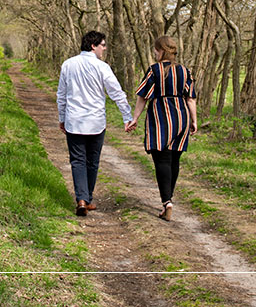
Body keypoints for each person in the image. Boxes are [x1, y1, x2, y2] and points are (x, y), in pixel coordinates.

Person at [57, 30, 133, 216]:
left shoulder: (68, 64)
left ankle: (82, 199)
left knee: (77, 161)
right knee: (92, 161)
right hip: (96, 122)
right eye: (103, 45)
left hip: (74, 121)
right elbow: (116, 92)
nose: (104, 49)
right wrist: (127, 116)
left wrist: (62, 118)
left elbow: (61, 95)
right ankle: (86, 198)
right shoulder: (102, 67)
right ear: (93, 46)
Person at [125, 35, 197, 221]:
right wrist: (193, 120)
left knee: (162, 159)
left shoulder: (154, 70)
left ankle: (167, 201)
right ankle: (169, 199)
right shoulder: (184, 71)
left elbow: (143, 96)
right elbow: (190, 98)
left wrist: (135, 118)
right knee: (174, 158)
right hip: (181, 115)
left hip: (160, 116)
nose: (154, 53)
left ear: (162, 50)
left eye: (156, 50)